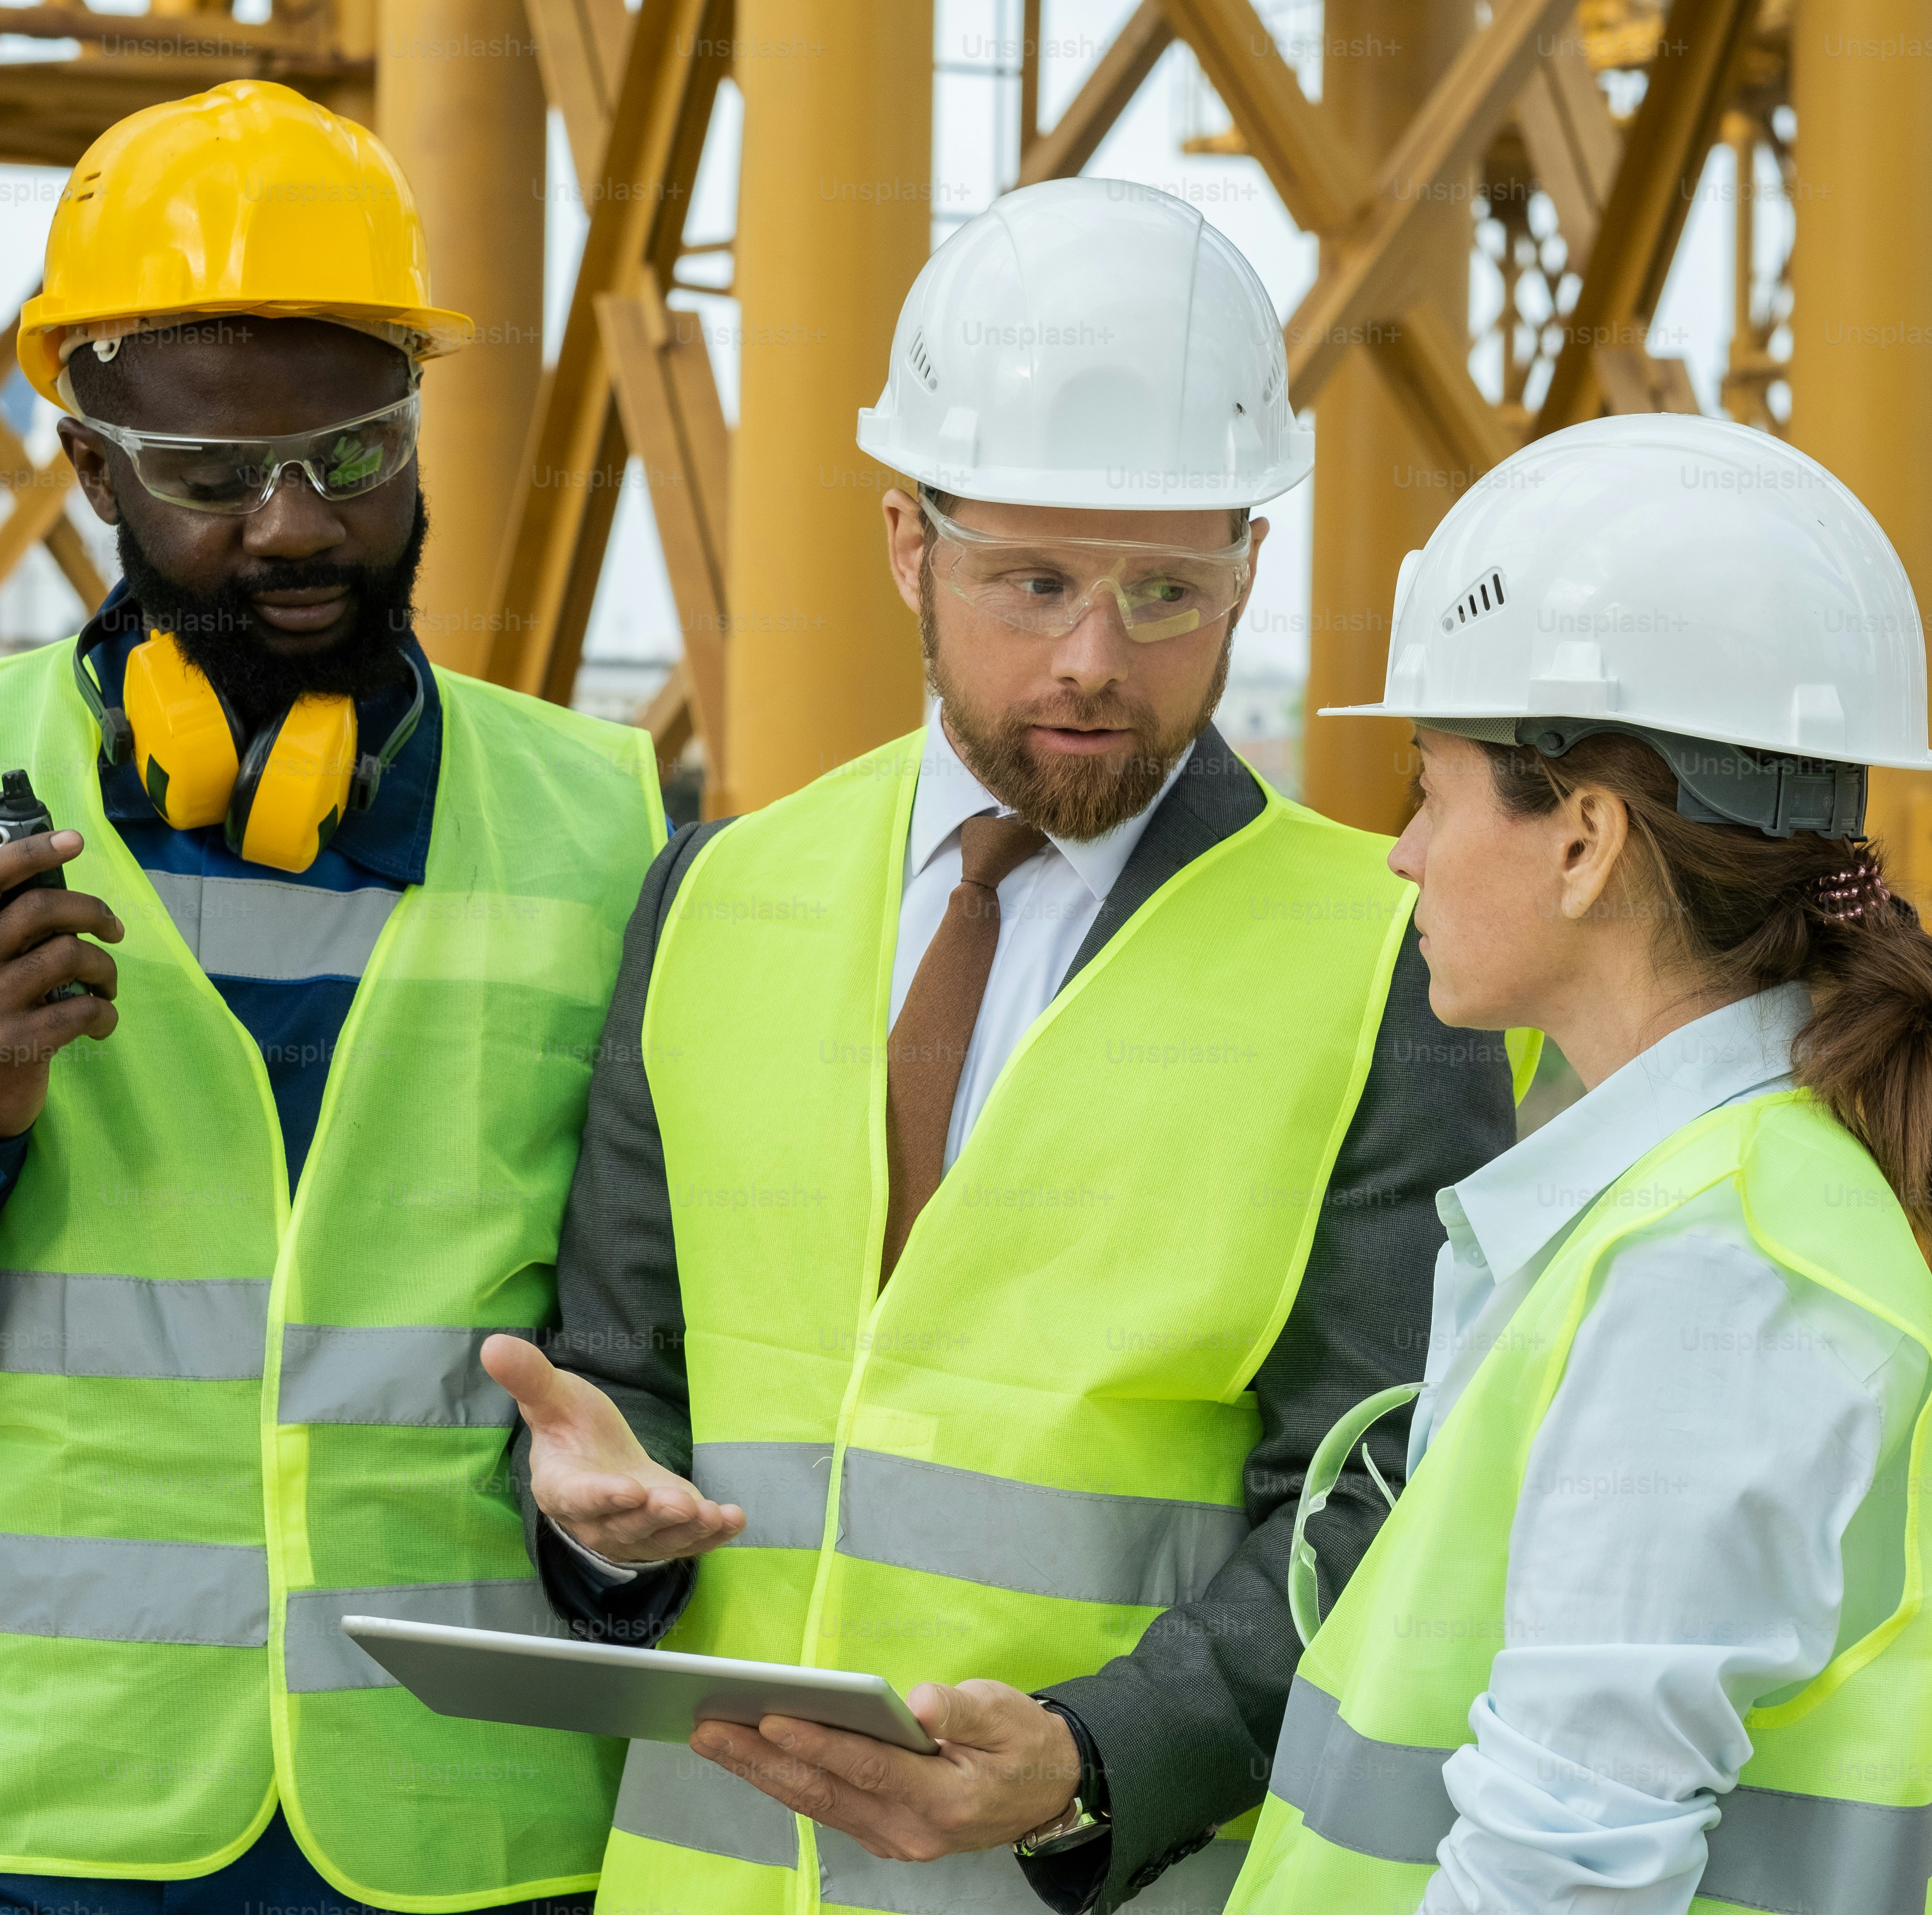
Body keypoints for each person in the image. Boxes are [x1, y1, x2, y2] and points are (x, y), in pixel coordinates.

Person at [0, 81, 664, 1915]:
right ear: (92, 469)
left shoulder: (606, 829)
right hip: (7, 1839)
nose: (291, 526)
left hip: (456, 1835)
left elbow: (676, 1339)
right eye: (206, 477)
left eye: (353, 456)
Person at [478, 176, 1523, 1914]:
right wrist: (597, 1525)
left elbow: (1394, 1485)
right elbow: (628, 1364)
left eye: (1171, 595)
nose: (1098, 661)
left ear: (1251, 563)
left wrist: (1099, 1765)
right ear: (908, 542)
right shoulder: (718, 895)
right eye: (1031, 582)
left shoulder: (1387, 962)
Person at [1226, 412, 1932, 1913]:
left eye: (1430, 788)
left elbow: (1565, 1866)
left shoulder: (1713, 1266)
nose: (1403, 853)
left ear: (1583, 840)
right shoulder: (1698, 1206)